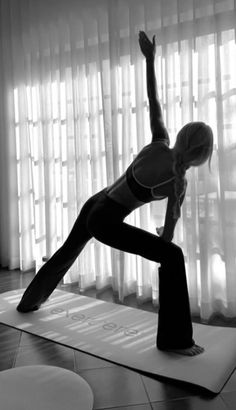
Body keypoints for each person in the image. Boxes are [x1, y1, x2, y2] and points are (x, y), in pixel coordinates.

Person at [17, 31, 213, 357]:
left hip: (97, 201)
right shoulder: (178, 182)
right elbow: (166, 237)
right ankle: (176, 341)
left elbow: (154, 101)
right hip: (105, 219)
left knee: (67, 252)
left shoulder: (159, 141)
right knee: (173, 256)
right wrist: (165, 233)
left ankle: (28, 303)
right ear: (201, 156)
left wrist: (149, 60)